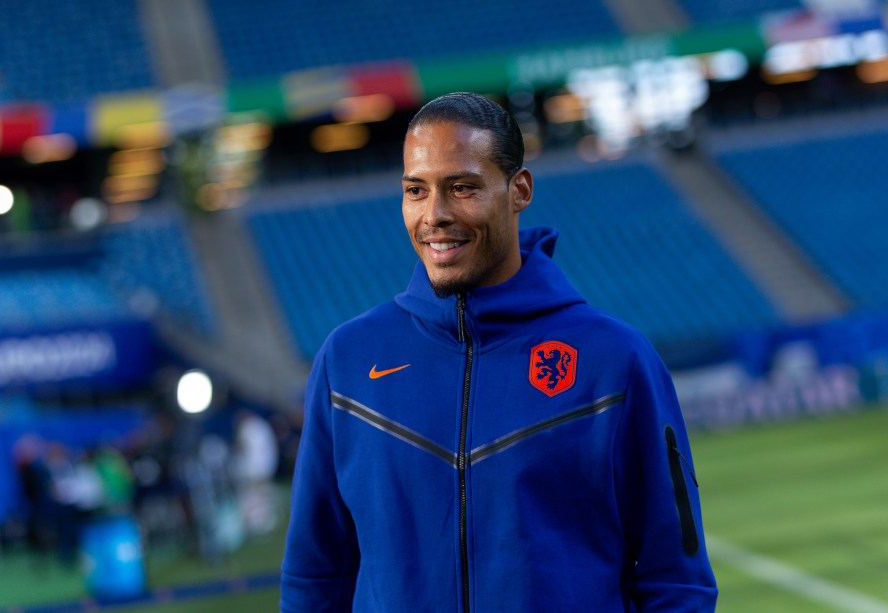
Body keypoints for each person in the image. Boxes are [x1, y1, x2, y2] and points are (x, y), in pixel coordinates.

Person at [280, 92, 718, 611]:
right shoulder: (347, 362)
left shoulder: (616, 361)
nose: (435, 214)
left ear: (519, 190)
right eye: (416, 190)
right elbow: (314, 577)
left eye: (462, 187)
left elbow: (679, 582)